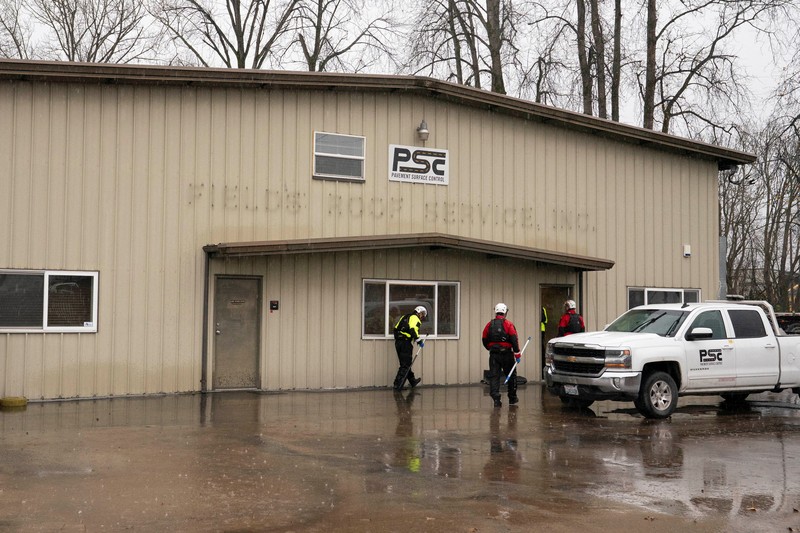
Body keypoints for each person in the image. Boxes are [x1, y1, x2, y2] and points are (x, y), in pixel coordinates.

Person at [482, 303, 521, 407]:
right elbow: (514, 339)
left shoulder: (489, 325)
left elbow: (484, 338)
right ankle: (512, 398)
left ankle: (496, 398)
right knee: (511, 375)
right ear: (505, 312)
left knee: (494, 376)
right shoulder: (508, 324)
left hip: (494, 355)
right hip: (507, 354)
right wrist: (517, 353)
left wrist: (490, 348)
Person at [393, 305, 426, 390]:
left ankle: (412, 381)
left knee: (406, 363)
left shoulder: (404, 317)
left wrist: (399, 338)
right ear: (418, 312)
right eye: (422, 314)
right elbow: (413, 329)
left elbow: (396, 328)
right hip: (405, 343)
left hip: (398, 343)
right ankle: (398, 385)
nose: (422, 317)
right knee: (405, 365)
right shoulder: (415, 318)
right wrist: (419, 340)